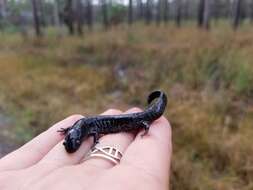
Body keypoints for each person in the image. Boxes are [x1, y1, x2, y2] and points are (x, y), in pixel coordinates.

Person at [0, 107, 172, 190]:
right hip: (92, 125)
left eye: (73, 143)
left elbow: (93, 131)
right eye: (70, 144)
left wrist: (95, 141)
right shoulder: (79, 129)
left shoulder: (84, 128)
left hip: (133, 118)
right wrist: (71, 133)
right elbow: (84, 130)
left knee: (140, 120)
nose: (72, 147)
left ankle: (147, 119)